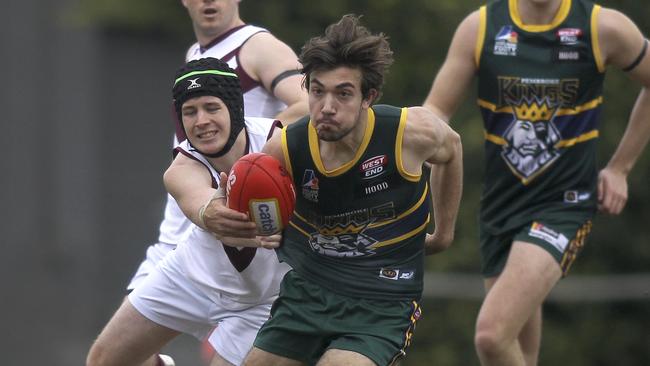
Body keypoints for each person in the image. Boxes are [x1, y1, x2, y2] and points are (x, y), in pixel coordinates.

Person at [422, 0, 650, 365]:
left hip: (563, 205)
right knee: (520, 354)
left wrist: (620, 168)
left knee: (491, 335)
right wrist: (408, 134)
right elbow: (436, 110)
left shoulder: (602, 27)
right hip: (500, 207)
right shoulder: (479, 28)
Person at [238, 14, 463, 366]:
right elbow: (255, 201)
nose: (327, 107)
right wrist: (260, 225)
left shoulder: (408, 133)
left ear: (367, 97)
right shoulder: (285, 148)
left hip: (382, 301)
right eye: (317, 91)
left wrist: (444, 232)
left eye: (343, 94)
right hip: (308, 295)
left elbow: (453, 151)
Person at [121, 0, 308, 364]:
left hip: (239, 237)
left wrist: (251, 169)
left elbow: (308, 105)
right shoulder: (197, 55)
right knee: (121, 357)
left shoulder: (257, 46)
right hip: (183, 230)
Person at [86, 58, 290, 366]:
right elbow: (200, 202)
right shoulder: (180, 167)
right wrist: (213, 212)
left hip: (265, 299)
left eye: (211, 107)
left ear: (234, 108)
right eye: (189, 112)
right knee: (104, 360)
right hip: (194, 275)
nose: (201, 121)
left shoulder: (280, 146)